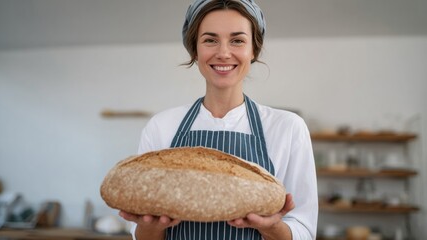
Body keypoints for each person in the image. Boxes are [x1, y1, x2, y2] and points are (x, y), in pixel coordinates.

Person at [119, 0, 318, 239]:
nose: (223, 53)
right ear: (195, 50)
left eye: (237, 40)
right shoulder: (162, 126)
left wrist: (271, 228)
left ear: (253, 50)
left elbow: (304, 230)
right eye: (210, 40)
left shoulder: (287, 127)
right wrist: (150, 227)